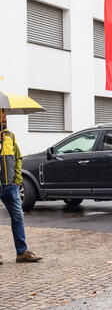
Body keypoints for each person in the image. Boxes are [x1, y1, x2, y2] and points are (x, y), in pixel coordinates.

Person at [0, 112, 42, 263]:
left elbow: (18, 158)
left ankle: (22, 252)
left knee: (18, 217)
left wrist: (17, 180)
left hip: (11, 185)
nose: (4, 119)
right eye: (2, 117)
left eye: (5, 117)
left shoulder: (10, 136)